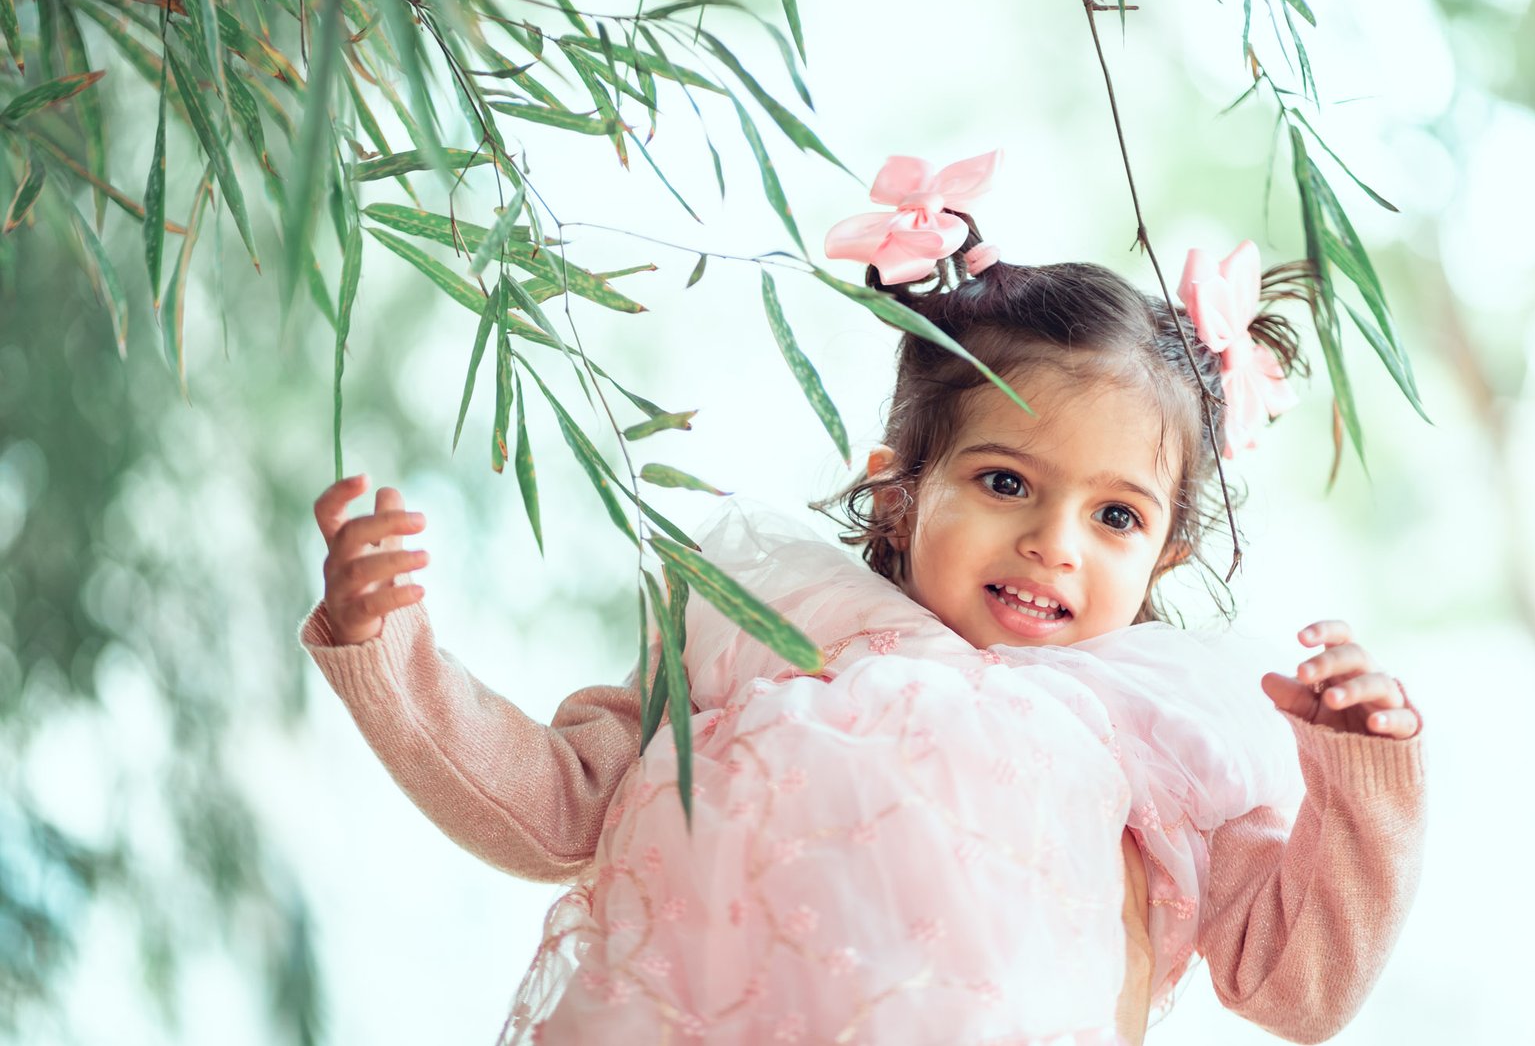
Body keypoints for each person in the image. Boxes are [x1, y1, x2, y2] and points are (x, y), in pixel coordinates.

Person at [300, 150, 1425, 1045]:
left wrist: (1359, 785)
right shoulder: (771, 629)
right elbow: (561, 809)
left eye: (1116, 516)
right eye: (1005, 482)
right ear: (897, 497)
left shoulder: (1163, 742)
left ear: (1164, 559)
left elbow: (1296, 990)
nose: (1052, 544)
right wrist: (391, 653)